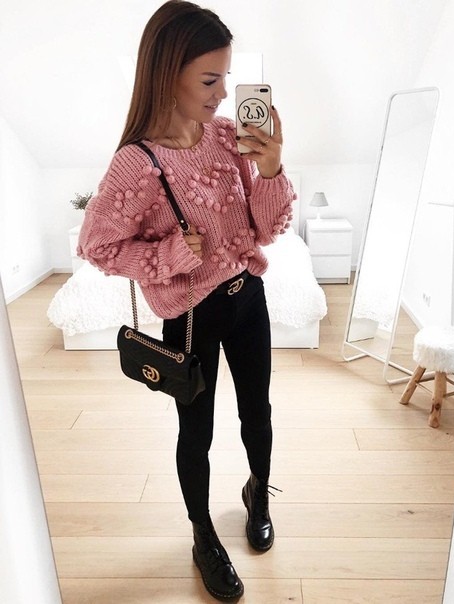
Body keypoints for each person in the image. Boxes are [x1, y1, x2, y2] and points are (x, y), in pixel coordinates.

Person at [77, 0, 295, 600]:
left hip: (247, 297)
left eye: (226, 77)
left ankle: (257, 492)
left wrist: (271, 169)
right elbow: (96, 246)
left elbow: (265, 228)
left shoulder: (227, 138)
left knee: (258, 411)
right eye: (209, 80)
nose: (223, 94)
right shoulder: (137, 164)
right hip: (192, 316)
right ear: (167, 74)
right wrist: (171, 255)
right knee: (196, 432)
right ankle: (203, 535)